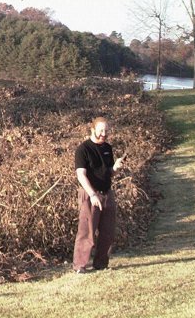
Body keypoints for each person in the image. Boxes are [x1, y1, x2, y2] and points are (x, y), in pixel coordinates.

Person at [72, 116, 125, 273]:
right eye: (101, 130)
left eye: (106, 130)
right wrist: (92, 195)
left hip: (107, 194)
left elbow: (108, 172)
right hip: (90, 195)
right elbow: (81, 175)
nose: (104, 133)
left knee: (107, 232)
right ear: (92, 129)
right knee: (86, 231)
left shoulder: (108, 148)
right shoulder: (83, 149)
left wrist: (115, 168)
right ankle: (80, 266)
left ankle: (101, 264)